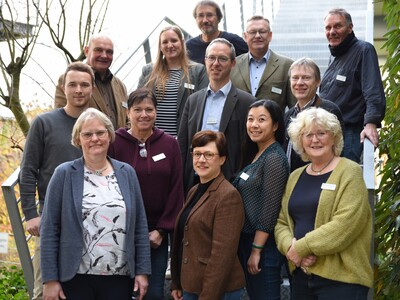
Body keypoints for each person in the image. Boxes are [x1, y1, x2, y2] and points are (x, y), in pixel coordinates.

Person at [40, 108, 151, 300]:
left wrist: (142, 271)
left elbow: (140, 226)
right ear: (78, 139)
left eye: (100, 132)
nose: (95, 138)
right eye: (87, 134)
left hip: (119, 277)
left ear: (109, 135)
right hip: (75, 277)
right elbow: (49, 229)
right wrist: (50, 279)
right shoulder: (64, 174)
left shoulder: (127, 173)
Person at [275, 107, 373, 299]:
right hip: (302, 276)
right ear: (300, 141)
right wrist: (290, 248)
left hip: (342, 280)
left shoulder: (349, 171)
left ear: (334, 137)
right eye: (308, 134)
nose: (315, 139)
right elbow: (281, 222)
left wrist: (301, 248)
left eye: (321, 133)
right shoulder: (295, 176)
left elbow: (345, 224)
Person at [19, 62, 94, 300]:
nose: (79, 90)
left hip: (90, 221)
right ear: (63, 87)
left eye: (84, 85)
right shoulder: (44, 123)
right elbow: (28, 170)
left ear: (92, 88)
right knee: (45, 291)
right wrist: (30, 213)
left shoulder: (97, 125)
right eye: (73, 84)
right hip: (52, 219)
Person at [108, 88, 184, 300]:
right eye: (138, 109)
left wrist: (162, 230)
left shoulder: (170, 144)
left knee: (152, 293)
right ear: (128, 112)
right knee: (120, 291)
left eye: (149, 109)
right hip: (120, 233)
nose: (144, 114)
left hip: (155, 236)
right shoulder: (114, 142)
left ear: (156, 112)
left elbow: (176, 189)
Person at [170, 130, 246, 300]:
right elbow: (184, 238)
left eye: (209, 155)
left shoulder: (228, 196)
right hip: (192, 285)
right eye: (197, 154)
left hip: (216, 291)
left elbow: (222, 256)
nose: (201, 160)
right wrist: (177, 282)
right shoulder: (195, 190)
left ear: (222, 159)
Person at [178, 38, 256, 193]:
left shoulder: (247, 102)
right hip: (195, 182)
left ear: (233, 63)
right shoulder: (193, 100)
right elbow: (183, 145)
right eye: (211, 58)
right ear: (205, 61)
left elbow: (250, 148)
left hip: (229, 184)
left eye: (222, 59)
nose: (216, 63)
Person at [232, 99, 289, 300]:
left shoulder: (274, 158)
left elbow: (269, 209)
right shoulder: (257, 153)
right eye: (250, 119)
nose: (254, 125)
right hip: (249, 241)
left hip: (264, 247)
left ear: (275, 126)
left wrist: (256, 250)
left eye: (261, 120)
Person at [319, 8, 386, 163]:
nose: (332, 31)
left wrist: (371, 123)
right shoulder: (335, 56)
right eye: (328, 28)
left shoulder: (364, 50)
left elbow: (373, 91)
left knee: (346, 181)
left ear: (350, 28)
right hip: (329, 133)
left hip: (349, 134)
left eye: (337, 26)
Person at [137, 25, 208, 136]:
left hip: (183, 138)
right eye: (165, 42)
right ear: (160, 46)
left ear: (182, 42)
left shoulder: (198, 71)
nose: (170, 45)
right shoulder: (148, 71)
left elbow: (203, 105)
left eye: (174, 40)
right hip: (153, 138)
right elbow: (137, 102)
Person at [54, 33, 128, 130]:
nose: (104, 55)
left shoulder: (120, 85)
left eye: (109, 52)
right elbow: (62, 119)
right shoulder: (68, 81)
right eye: (99, 50)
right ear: (86, 51)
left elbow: (128, 118)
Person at [284, 57, 344, 172]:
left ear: (318, 81)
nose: (299, 83)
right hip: (293, 181)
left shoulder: (329, 111)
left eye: (306, 78)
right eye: (295, 78)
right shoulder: (289, 115)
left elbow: (338, 151)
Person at [230, 15, 296, 111]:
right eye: (252, 32)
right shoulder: (233, 65)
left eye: (262, 32)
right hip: (240, 125)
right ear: (245, 36)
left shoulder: (287, 65)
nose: (257, 36)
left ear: (270, 35)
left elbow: (294, 107)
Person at [186, 0, 248, 65]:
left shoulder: (235, 41)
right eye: (200, 16)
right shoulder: (189, 47)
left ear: (219, 18)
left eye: (209, 15)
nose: (205, 20)